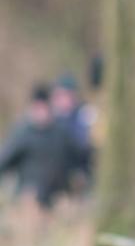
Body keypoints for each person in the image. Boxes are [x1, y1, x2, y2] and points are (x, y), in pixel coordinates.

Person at [0, 83, 89, 211]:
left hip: (58, 200)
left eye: (44, 108)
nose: (41, 113)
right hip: (30, 200)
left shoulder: (61, 132)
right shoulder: (23, 133)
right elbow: (5, 160)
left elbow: (79, 157)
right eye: (38, 108)